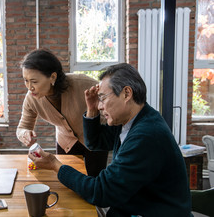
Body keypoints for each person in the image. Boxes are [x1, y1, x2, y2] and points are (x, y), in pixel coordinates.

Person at [29, 63, 193, 216]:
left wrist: (55, 164)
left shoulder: (146, 135)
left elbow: (101, 192)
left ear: (126, 94)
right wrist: (91, 109)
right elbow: (95, 143)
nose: (100, 106)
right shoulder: (134, 121)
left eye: (103, 98)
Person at [17, 48, 108, 176]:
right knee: (66, 181)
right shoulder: (31, 98)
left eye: (34, 81)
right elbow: (22, 127)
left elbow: (110, 99)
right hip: (66, 143)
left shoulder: (82, 84)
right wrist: (25, 134)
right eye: (26, 80)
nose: (29, 87)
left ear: (52, 77)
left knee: (95, 180)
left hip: (95, 140)